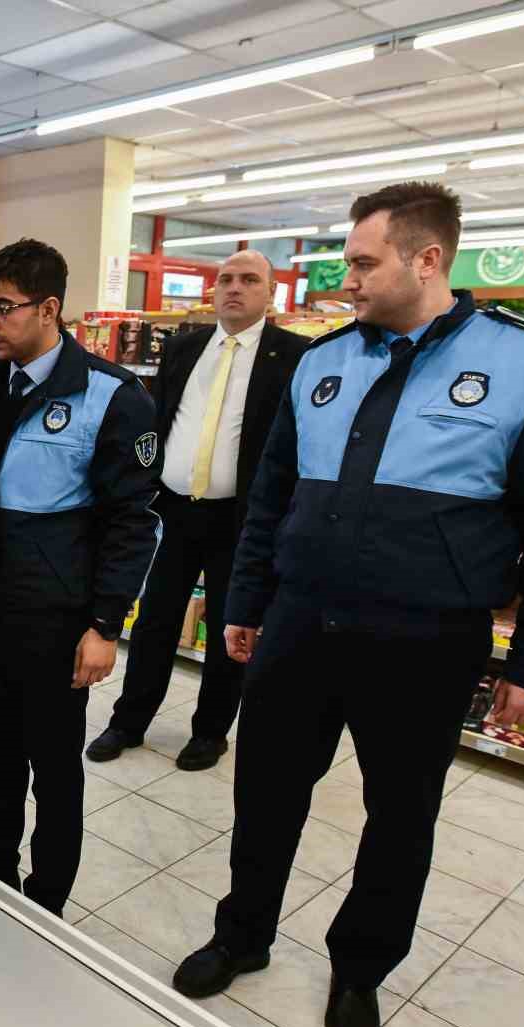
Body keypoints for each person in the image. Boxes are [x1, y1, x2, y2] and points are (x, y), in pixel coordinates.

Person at [172, 183, 524, 1027]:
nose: (348, 281)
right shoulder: (321, 363)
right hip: (300, 623)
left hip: (427, 641)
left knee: (400, 818)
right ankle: (242, 935)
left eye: (363, 263)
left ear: (426, 258)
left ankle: (359, 968)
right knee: (264, 798)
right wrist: (246, 600)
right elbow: (272, 497)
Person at [0, 238, 161, 917]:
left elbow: (130, 522)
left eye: (2, 308)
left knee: (54, 773)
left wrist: (107, 625)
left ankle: (48, 902)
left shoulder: (111, 397)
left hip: (56, 623)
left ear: (49, 308)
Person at [87, 250, 307, 772]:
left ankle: (210, 730)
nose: (235, 288)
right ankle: (128, 721)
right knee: (154, 622)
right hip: (174, 512)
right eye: (226, 279)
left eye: (249, 280)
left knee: (232, 630)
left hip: (242, 520)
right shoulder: (184, 347)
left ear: (270, 293)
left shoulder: (295, 355)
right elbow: (162, 419)